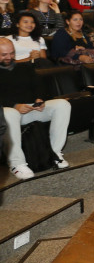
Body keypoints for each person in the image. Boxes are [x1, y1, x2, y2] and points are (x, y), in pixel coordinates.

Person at [0, 37, 72, 180]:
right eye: (4, 55)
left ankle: (54, 153)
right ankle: (16, 163)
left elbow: (39, 85)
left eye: (12, 53)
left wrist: (40, 99)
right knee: (10, 113)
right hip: (6, 113)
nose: (9, 57)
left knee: (63, 105)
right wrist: (15, 105)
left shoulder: (24, 67)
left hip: (30, 109)